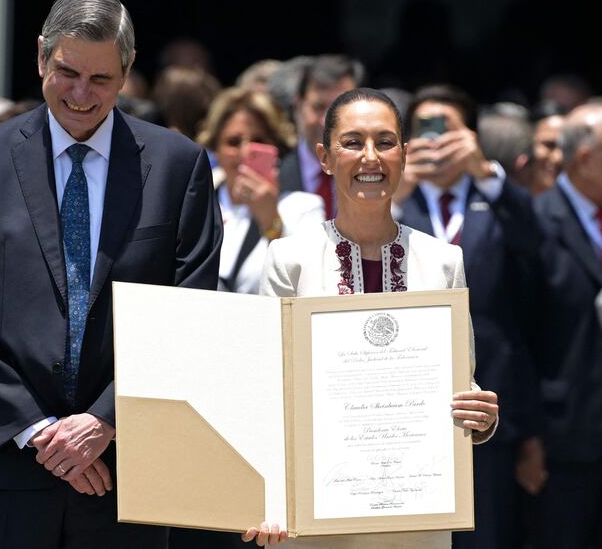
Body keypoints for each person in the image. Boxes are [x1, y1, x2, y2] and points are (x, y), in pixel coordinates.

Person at [0, 0, 222, 549]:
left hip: (125, 476)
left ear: (128, 69)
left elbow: (191, 312)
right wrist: (43, 434)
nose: (82, 95)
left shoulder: (177, 165)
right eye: (67, 72)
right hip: (9, 475)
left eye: (102, 79)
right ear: (41, 54)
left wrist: (105, 420)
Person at [245, 87, 498, 548]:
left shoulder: (444, 260)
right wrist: (268, 500)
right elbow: (267, 391)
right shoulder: (289, 259)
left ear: (403, 154)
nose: (370, 158)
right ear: (324, 156)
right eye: (352, 142)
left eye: (385, 142)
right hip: (317, 515)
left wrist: (479, 413)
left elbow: (462, 380)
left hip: (416, 514)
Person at [395, 84, 544, 549]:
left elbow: (537, 252)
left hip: (491, 397)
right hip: (408, 395)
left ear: (471, 135)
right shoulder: (398, 202)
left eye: (447, 129)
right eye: (423, 130)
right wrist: (396, 196)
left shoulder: (495, 196)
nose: (435, 141)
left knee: (489, 529)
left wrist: (486, 172)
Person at [529, 103, 602, 549]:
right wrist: (527, 441)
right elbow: (522, 335)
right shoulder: (536, 221)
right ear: (585, 158)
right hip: (563, 440)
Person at [197, 87, 324, 294]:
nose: (245, 152)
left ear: (276, 147)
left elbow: (309, 281)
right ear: (215, 148)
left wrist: (271, 221)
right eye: (233, 142)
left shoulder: (303, 207)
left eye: (258, 141)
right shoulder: (196, 203)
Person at [278, 54, 365, 218]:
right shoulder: (273, 179)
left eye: (340, 108)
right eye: (318, 107)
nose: (326, 121)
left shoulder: (379, 176)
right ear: (298, 106)